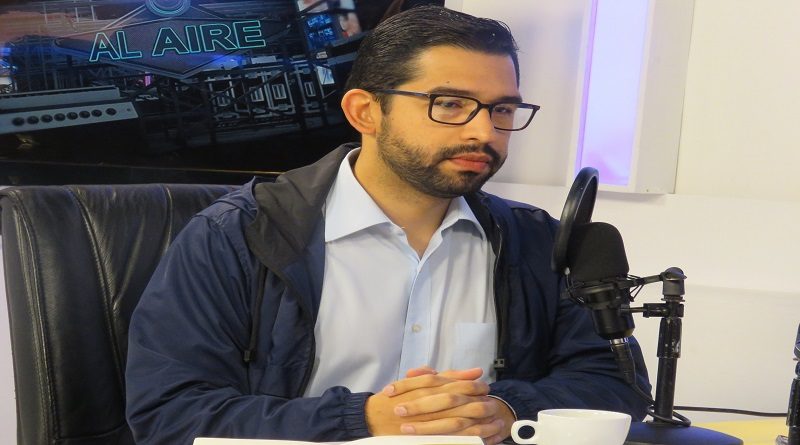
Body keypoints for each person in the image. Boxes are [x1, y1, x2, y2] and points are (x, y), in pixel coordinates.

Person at [125, 5, 651, 445]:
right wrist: (364, 420)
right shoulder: (239, 235)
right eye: (450, 104)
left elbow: (614, 383)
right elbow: (170, 413)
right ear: (365, 112)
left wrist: (507, 409)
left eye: (502, 110)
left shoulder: (535, 241)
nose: (484, 132)